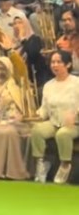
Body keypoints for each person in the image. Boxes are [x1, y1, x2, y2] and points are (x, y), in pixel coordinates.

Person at [31, 51, 79, 184]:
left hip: (74, 124)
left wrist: (75, 114)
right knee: (37, 130)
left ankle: (65, 165)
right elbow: (44, 109)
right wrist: (36, 115)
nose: (55, 65)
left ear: (68, 64)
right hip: (54, 122)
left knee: (62, 134)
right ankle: (40, 164)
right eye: (53, 62)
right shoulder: (48, 86)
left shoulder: (76, 83)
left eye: (59, 62)